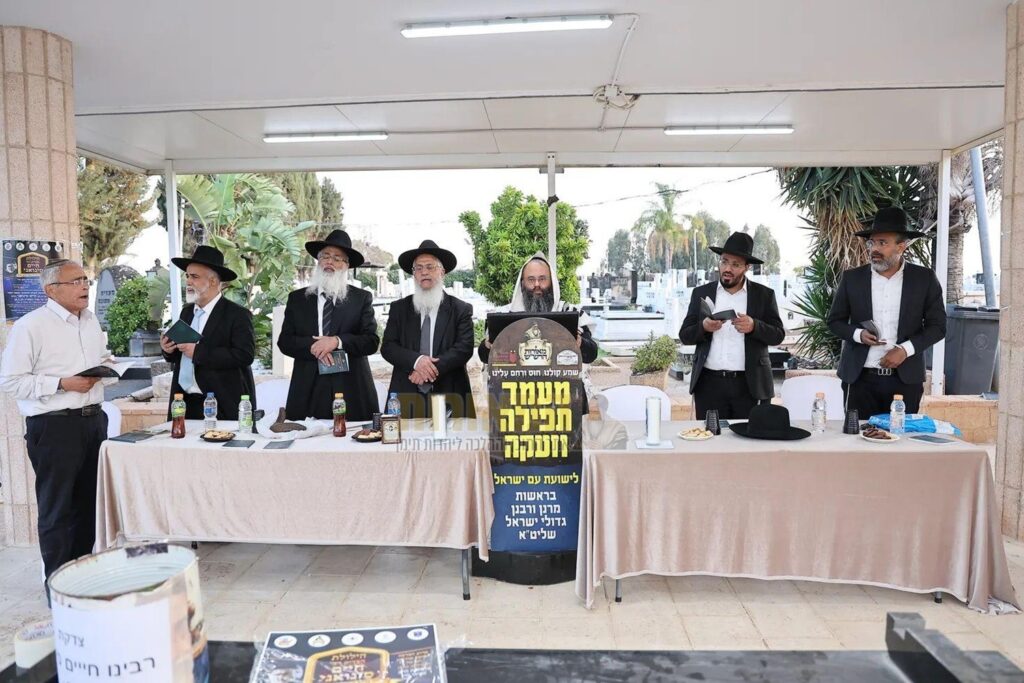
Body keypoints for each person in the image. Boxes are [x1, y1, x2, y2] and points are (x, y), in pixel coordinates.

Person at [0, 259, 113, 583]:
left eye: (85, 280)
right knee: (58, 510)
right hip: (54, 427)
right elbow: (10, 381)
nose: (84, 286)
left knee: (89, 507)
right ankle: (59, 586)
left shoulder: (90, 321)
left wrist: (105, 367)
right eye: (76, 281)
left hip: (93, 422)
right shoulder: (30, 326)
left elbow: (97, 359)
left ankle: (82, 581)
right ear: (52, 290)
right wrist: (62, 383)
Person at [827, 206, 946, 416]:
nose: (874, 249)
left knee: (900, 436)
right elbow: (834, 321)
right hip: (860, 379)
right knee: (858, 435)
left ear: (901, 246)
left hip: (905, 380)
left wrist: (905, 350)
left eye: (883, 243)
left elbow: (938, 327)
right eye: (872, 242)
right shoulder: (852, 278)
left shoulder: (924, 279)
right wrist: (858, 334)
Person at [679, 232, 785, 419]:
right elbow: (685, 335)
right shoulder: (701, 293)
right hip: (709, 385)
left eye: (735, 264)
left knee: (749, 436)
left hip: (750, 386)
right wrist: (704, 327)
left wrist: (754, 326)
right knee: (710, 435)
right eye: (724, 261)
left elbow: (778, 335)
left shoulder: (764, 295)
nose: (727, 268)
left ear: (746, 267)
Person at [478, 252, 599, 413]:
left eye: (542, 279)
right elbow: (484, 355)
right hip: (517, 402)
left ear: (552, 282)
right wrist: (488, 345)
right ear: (522, 283)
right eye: (531, 279)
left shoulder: (571, 312)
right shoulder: (503, 315)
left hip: (564, 402)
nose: (537, 284)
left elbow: (591, 353)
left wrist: (579, 342)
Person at [277, 229, 379, 421]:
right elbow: (285, 342)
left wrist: (336, 342)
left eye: (337, 258)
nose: (330, 262)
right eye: (325, 256)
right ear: (318, 261)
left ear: (346, 266)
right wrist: (315, 346)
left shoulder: (360, 299)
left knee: (351, 437)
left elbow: (371, 341)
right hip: (308, 386)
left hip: (350, 387)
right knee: (306, 438)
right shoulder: (298, 299)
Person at [381, 240, 476, 418]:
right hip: (406, 393)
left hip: (450, 394)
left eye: (430, 267)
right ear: (414, 274)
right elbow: (388, 347)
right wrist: (416, 362)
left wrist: (427, 370)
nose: (424, 272)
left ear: (442, 272)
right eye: (418, 268)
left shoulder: (460, 309)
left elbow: (464, 348)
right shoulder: (399, 308)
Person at [160, 245, 256, 419]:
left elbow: (245, 355)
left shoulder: (237, 314)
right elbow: (181, 354)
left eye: (195, 277)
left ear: (212, 281)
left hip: (221, 404)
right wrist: (168, 350)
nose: (188, 282)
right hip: (184, 403)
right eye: (187, 276)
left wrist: (198, 352)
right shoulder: (187, 312)